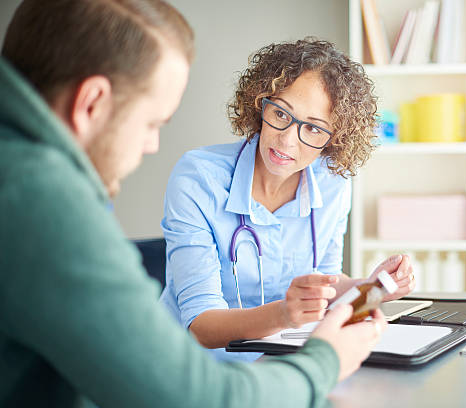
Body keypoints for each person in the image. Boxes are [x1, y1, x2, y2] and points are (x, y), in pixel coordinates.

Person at [0, 1, 387, 407]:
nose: (152, 146)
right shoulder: (41, 201)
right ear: (91, 103)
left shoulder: (24, 171)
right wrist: (325, 360)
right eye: (152, 124)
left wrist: (365, 287)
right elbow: (199, 394)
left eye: (312, 129)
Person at [160, 38, 416, 361]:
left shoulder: (333, 183)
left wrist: (372, 285)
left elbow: (324, 286)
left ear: (334, 139)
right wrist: (284, 314)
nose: (287, 139)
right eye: (281, 113)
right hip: (190, 367)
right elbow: (200, 326)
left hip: (278, 364)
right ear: (259, 102)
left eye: (313, 129)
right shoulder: (198, 179)